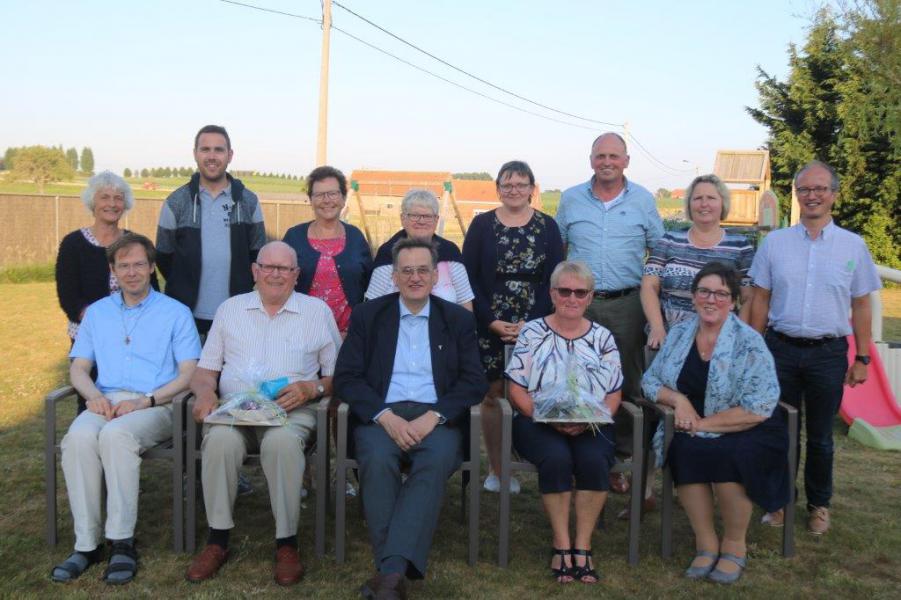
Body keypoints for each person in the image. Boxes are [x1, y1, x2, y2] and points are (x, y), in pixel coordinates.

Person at [333, 237, 487, 599]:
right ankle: (395, 573)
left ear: (435, 277)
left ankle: (388, 574)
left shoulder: (457, 320)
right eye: (407, 271)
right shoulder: (369, 316)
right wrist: (385, 416)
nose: (415, 277)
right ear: (394, 277)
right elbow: (347, 377)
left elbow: (474, 381)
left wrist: (434, 416)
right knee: (377, 457)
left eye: (422, 270)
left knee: (433, 462)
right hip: (381, 414)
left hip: (437, 417)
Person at [185, 241, 340, 586]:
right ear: (255, 271)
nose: (275, 274)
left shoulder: (316, 312)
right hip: (234, 411)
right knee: (219, 443)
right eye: (267, 267)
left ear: (296, 275)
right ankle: (218, 539)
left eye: (284, 269)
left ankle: (286, 543)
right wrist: (206, 393)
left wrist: (311, 388)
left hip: (291, 412)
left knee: (281, 445)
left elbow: (336, 376)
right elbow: (205, 370)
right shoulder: (230, 309)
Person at [51, 233, 200, 585]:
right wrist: (92, 396)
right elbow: (78, 367)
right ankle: (87, 545)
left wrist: (145, 401)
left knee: (117, 437)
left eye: (138, 265)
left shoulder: (175, 313)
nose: (131, 272)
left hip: (156, 403)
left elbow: (190, 372)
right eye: (123, 266)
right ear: (113, 271)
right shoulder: (98, 313)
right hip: (105, 401)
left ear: (151, 268)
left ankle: (121, 541)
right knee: (78, 440)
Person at [750, 160, 881, 535]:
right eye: (805, 189)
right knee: (778, 431)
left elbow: (860, 305)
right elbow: (759, 299)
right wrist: (756, 352)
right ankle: (778, 503)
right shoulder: (775, 243)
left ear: (833, 196)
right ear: (797, 194)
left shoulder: (853, 246)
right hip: (780, 350)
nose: (812, 195)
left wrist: (862, 357)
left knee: (821, 437)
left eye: (820, 188)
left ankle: (819, 505)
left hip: (827, 353)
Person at [642, 262, 789, 584]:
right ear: (693, 296)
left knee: (729, 456)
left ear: (735, 300)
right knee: (684, 450)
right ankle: (706, 542)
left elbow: (760, 406)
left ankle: (735, 545)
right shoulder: (680, 333)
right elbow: (650, 381)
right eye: (704, 291)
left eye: (721, 294)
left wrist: (704, 424)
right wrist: (679, 401)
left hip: (750, 426)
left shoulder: (748, 341)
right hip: (693, 424)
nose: (711, 300)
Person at [556, 132, 663, 495]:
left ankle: (619, 461)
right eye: (600, 155)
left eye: (614, 156)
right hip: (578, 303)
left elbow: (659, 252)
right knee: (575, 378)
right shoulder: (571, 200)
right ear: (590, 160)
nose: (607, 162)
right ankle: (574, 457)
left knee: (625, 384)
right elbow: (559, 249)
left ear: (626, 161)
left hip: (626, 305)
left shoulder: (643, 201)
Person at [505, 261, 622, 584]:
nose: (572, 298)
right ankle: (561, 542)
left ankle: (582, 545)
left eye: (580, 292)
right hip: (537, 421)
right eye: (565, 291)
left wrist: (593, 419)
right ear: (553, 294)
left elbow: (614, 391)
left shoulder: (602, 338)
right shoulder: (532, 332)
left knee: (594, 458)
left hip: (591, 423)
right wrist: (545, 416)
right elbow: (516, 386)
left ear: (590, 297)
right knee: (556, 458)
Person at [462, 160, 564, 494]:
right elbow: (469, 278)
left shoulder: (548, 227)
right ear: (498, 189)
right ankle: (496, 468)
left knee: (527, 392)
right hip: (490, 319)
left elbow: (555, 279)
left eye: (521, 184)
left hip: (535, 320)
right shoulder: (481, 225)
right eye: (507, 185)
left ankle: (532, 461)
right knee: (492, 395)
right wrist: (490, 321)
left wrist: (531, 324)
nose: (514, 190)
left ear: (532, 188)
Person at [55, 171, 159, 413]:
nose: (112, 204)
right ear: (93, 202)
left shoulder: (136, 242)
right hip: (90, 333)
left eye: (118, 198)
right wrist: (103, 323)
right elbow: (68, 297)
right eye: (105, 197)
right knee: (93, 397)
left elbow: (152, 289)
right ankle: (89, 437)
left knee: (132, 392)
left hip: (135, 332)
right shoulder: (73, 244)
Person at [155, 124, 266, 336]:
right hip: (186, 315)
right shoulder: (176, 202)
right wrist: (183, 285)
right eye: (205, 149)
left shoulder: (249, 202)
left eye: (219, 149)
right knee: (189, 369)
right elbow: (163, 254)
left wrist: (241, 284)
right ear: (195, 154)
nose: (212, 156)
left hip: (236, 315)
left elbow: (257, 254)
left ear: (230, 155)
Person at [641, 173, 755, 348]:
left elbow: (748, 297)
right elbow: (649, 285)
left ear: (722, 203)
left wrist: (739, 335)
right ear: (689, 204)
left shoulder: (740, 246)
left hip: (719, 343)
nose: (704, 204)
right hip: (667, 340)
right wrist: (656, 328)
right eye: (697, 198)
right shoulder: (669, 240)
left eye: (711, 198)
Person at [283, 165, 373, 337]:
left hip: (348, 335)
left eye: (332, 193)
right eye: (319, 195)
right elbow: (279, 280)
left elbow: (369, 283)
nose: (326, 200)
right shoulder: (294, 237)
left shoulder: (356, 237)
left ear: (343, 198)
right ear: (310, 200)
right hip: (300, 333)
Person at [365, 189, 473, 309]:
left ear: (436, 220)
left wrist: (467, 328)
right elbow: (372, 305)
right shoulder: (388, 253)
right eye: (414, 216)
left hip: (448, 327)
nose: (421, 221)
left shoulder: (450, 252)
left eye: (427, 216)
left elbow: (465, 301)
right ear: (403, 219)